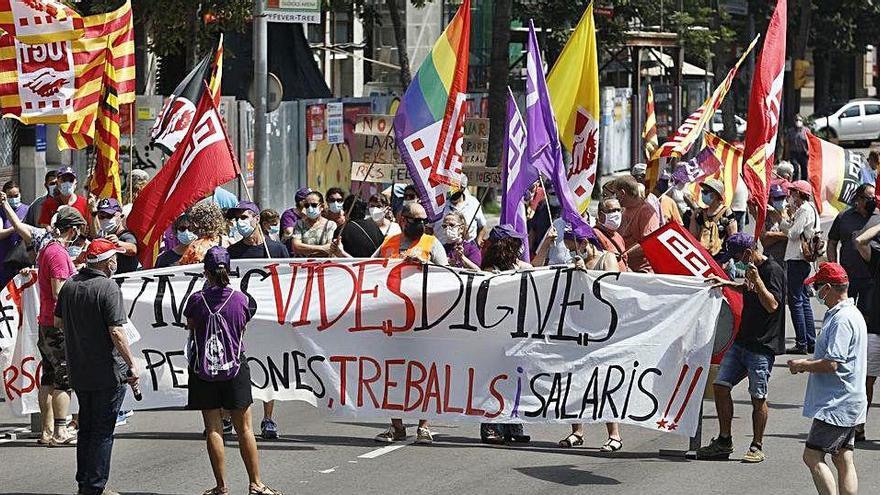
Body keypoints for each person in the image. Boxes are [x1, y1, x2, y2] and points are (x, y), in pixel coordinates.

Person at [184, 247, 283, 495]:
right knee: (245, 429)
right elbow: (242, 326)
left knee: (214, 428)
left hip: (204, 370)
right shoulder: (241, 300)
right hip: (235, 368)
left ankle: (221, 486)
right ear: (229, 270)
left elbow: (191, 326)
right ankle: (256, 483)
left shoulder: (196, 300)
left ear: (205, 272)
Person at [54, 239, 136, 495]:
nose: (116, 262)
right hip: (107, 371)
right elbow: (117, 331)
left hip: (80, 370)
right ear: (106, 261)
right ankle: (95, 486)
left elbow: (58, 322)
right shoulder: (108, 287)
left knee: (86, 429)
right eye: (115, 258)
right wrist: (132, 364)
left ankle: (85, 483)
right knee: (102, 432)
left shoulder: (69, 286)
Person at [697, 233, 785, 463]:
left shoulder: (772, 271)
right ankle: (724, 440)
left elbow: (772, 305)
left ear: (747, 253)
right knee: (720, 386)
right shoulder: (751, 271)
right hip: (742, 341)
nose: (735, 262)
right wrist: (728, 284)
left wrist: (758, 281)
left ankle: (757, 445)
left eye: (736, 256)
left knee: (758, 396)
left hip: (761, 345)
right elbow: (748, 290)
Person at [788, 263, 866, 495]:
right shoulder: (852, 314)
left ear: (829, 288)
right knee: (843, 458)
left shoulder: (842, 319)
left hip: (837, 403)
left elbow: (833, 362)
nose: (816, 292)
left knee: (812, 456)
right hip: (849, 399)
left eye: (819, 287)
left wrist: (803, 365)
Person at [373, 201, 447, 444]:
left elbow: (447, 277)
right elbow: (367, 270)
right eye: (416, 220)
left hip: (424, 320)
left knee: (424, 373)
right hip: (392, 321)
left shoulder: (431, 244)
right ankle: (396, 426)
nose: (421, 224)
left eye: (424, 220)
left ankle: (424, 426)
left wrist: (427, 267)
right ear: (402, 219)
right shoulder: (389, 244)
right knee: (391, 374)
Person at [36, 207, 85, 446]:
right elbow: (58, 290)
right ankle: (60, 431)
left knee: (48, 377)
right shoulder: (57, 253)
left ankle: (46, 431)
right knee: (63, 379)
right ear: (73, 229)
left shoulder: (48, 249)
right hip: (57, 324)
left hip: (46, 322)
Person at [479, 224, 532, 444]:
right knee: (493, 381)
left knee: (515, 380)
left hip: (518, 335)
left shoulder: (523, 267)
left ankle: (513, 425)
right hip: (493, 335)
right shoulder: (487, 272)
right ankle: (491, 426)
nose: (520, 246)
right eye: (515, 242)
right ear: (506, 245)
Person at [781, 180, 820, 354]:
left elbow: (792, 233)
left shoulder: (804, 209)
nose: (791, 196)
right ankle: (810, 341)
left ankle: (802, 342)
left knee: (796, 301)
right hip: (802, 259)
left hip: (797, 258)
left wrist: (780, 220)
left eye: (793, 193)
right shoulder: (809, 209)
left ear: (799, 194)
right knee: (803, 301)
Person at [854, 219, 880, 442]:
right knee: (866, 380)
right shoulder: (879, 259)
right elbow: (861, 241)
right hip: (876, 329)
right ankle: (859, 425)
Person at [611, 175, 660, 273]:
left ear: (622, 193)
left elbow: (649, 244)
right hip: (624, 267)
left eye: (616, 194)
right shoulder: (624, 210)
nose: (615, 198)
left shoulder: (646, 211)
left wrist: (623, 254)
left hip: (641, 272)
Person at [689, 178, 738, 260]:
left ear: (715, 194)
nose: (703, 194)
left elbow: (733, 239)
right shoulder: (700, 213)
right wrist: (693, 216)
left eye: (706, 192)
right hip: (702, 257)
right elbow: (693, 237)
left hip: (721, 258)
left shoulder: (727, 213)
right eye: (702, 191)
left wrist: (726, 260)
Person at [433, 174, 487, 246]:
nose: (451, 190)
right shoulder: (438, 203)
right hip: (441, 248)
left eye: (454, 187)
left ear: (463, 188)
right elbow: (428, 228)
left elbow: (482, 226)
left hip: (467, 249)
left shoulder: (473, 203)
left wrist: (478, 242)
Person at [93, 198, 139, 274]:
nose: (105, 220)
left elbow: (133, 249)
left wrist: (119, 243)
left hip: (126, 283)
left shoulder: (126, 236)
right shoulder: (104, 236)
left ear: (121, 217)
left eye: (109, 216)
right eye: (101, 217)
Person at [291, 190, 337, 257]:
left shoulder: (330, 225)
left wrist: (305, 250)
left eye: (313, 205)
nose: (310, 208)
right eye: (307, 205)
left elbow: (330, 248)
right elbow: (296, 247)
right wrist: (322, 248)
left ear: (322, 207)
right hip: (304, 265)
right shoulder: (300, 224)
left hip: (323, 265)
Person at [0, 180, 29, 286]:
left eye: (16, 195)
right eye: (10, 196)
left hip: (22, 261)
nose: (13, 199)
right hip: (4, 259)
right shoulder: (1, 211)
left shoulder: (27, 210)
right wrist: (17, 226)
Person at [761, 183, 791, 265]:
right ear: (770, 199)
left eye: (782, 197)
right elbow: (765, 242)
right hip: (771, 260)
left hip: (785, 260)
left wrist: (771, 235)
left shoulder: (787, 214)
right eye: (777, 198)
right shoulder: (763, 217)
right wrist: (784, 235)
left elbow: (791, 235)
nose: (780, 200)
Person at [595, 198, 628, 271]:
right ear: (601, 214)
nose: (616, 214)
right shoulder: (595, 234)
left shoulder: (618, 236)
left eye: (618, 210)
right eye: (612, 211)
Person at [786, 114, 810, 180]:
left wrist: (809, 151)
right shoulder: (790, 131)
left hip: (804, 153)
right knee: (795, 168)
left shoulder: (806, 131)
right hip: (794, 153)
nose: (798, 121)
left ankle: (804, 184)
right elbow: (787, 143)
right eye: (796, 120)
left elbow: (810, 142)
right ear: (794, 121)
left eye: (799, 120)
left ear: (802, 121)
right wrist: (786, 155)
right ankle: (795, 184)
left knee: (804, 170)